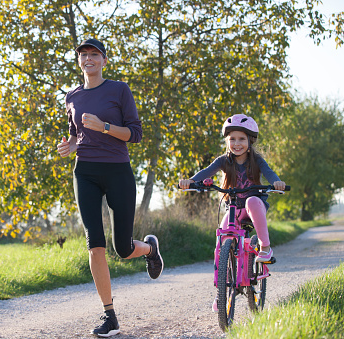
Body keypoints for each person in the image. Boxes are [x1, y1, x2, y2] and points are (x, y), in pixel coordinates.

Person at [57, 38, 164, 337]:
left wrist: (103, 126)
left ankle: (149, 248)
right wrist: (71, 145)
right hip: (86, 172)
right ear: (79, 60)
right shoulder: (72, 96)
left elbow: (136, 134)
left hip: (117, 170)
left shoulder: (119, 89)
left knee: (122, 247)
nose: (88, 59)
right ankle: (110, 316)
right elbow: (76, 135)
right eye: (84, 55)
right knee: (95, 244)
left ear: (104, 60)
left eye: (94, 54)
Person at [178, 114, 285, 312]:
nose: (237, 143)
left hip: (254, 207)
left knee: (252, 199)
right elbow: (206, 172)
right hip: (233, 207)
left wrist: (277, 181)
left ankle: (265, 248)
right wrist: (190, 181)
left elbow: (269, 173)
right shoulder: (223, 161)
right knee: (221, 240)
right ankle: (222, 292)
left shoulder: (257, 160)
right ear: (227, 141)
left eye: (241, 139)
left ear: (250, 141)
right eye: (232, 139)